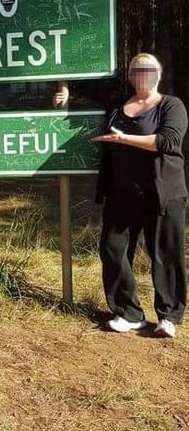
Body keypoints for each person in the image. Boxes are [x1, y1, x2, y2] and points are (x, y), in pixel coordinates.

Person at [93, 53, 188, 338]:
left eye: (147, 69)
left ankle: (168, 316)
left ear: (158, 73)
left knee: (165, 254)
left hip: (163, 193)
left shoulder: (171, 105)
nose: (142, 74)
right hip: (121, 192)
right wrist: (64, 92)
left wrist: (125, 139)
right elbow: (88, 100)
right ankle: (128, 312)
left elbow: (169, 141)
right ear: (131, 75)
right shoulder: (117, 104)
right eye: (136, 70)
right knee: (113, 249)